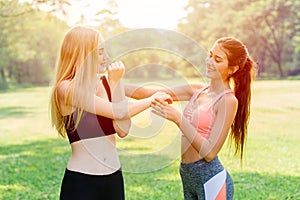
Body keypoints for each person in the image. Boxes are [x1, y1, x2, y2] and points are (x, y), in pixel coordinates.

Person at [125, 37, 257, 199]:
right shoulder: (196, 90)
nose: (209, 61)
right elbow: (146, 94)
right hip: (187, 174)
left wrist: (178, 119)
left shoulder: (228, 101)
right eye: (210, 55)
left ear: (232, 69)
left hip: (211, 180)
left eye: (217, 59)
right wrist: (110, 83)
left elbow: (209, 153)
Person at [49, 26, 172, 200]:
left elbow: (123, 129)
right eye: (100, 52)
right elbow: (119, 111)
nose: (106, 57)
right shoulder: (66, 88)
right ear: (82, 55)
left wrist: (116, 84)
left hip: (114, 179)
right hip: (82, 182)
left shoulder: (106, 82)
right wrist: (152, 100)